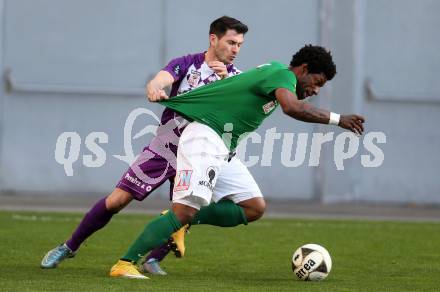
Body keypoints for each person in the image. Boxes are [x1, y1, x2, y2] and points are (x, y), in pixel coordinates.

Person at [109, 44, 365, 279]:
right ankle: (124, 263)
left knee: (253, 207)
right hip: (205, 138)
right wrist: (337, 119)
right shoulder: (282, 74)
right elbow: (293, 108)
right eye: (317, 82)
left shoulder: (276, 77)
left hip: (222, 147)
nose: (316, 90)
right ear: (304, 69)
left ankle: (181, 220)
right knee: (186, 207)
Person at [41, 16, 260, 276]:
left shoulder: (236, 78)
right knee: (118, 200)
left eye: (240, 45)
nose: (236, 50)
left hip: (200, 154)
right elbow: (161, 79)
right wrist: (155, 88)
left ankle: (152, 259)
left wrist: (226, 84)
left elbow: (236, 116)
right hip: (166, 147)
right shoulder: (188, 64)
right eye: (231, 42)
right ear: (213, 39)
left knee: (183, 211)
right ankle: (69, 246)